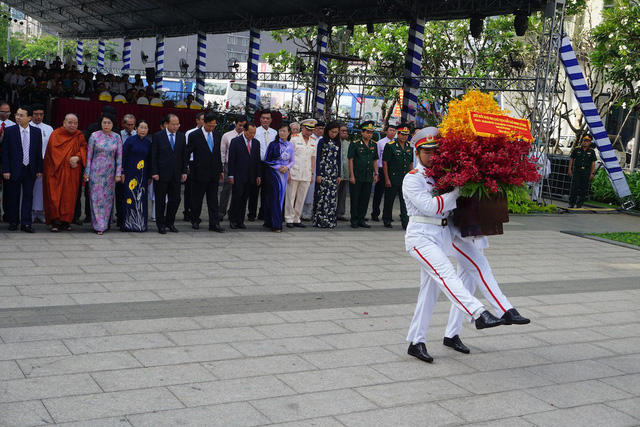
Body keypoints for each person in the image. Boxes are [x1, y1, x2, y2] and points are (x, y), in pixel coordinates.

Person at [403, 128, 505, 363]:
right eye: (426, 151)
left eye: (435, 151)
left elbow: (449, 208)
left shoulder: (442, 176)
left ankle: (416, 341)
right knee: (447, 274)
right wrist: (458, 191)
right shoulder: (412, 178)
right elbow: (431, 207)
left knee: (429, 291)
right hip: (420, 236)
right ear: (417, 153)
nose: (431, 155)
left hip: (441, 234)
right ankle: (478, 313)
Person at [443, 232, 530, 354]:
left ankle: (451, 335)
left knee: (465, 289)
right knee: (482, 268)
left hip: (471, 235)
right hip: (456, 235)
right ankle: (505, 310)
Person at [1, 105, 43, 232]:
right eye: (17, 115)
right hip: (14, 169)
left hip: (29, 169)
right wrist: (6, 170)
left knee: (28, 197)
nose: (18, 117)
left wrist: (39, 169)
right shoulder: (10, 131)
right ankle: (13, 221)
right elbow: (5, 153)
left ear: (29, 118)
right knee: (13, 196)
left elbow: (38, 152)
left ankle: (26, 223)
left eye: (21, 115)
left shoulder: (36, 132)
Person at [43, 114, 87, 232]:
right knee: (55, 196)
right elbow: (53, 153)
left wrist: (77, 157)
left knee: (69, 196)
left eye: (75, 123)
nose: (73, 125)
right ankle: (55, 222)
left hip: (72, 171)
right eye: (70, 122)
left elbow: (84, 148)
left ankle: (66, 221)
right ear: (64, 122)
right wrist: (68, 159)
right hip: (56, 171)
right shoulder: (56, 134)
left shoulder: (79, 135)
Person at [83, 113, 123, 235]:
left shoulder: (116, 137)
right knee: (95, 199)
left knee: (108, 199)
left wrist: (118, 173)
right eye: (104, 122)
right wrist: (87, 172)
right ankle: (98, 225)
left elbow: (119, 157)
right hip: (96, 172)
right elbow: (89, 155)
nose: (106, 125)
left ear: (113, 124)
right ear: (100, 123)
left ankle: (105, 223)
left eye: (109, 123)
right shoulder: (94, 136)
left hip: (110, 173)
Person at [186, 112, 225, 233]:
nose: (211, 128)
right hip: (199, 172)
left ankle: (214, 223)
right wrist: (187, 166)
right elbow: (188, 153)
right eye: (209, 126)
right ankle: (195, 220)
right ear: (204, 123)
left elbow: (218, 154)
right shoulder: (194, 135)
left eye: (214, 126)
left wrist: (220, 170)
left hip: (213, 173)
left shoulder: (218, 135)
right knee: (197, 198)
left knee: (213, 199)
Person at [151, 114, 188, 234]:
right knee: (160, 200)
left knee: (176, 199)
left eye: (177, 124)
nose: (176, 126)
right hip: (161, 174)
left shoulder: (181, 136)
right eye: (173, 124)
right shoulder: (158, 136)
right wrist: (154, 172)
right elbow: (154, 155)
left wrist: (184, 171)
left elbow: (183, 156)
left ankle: (170, 222)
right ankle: (160, 224)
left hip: (176, 174)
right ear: (166, 124)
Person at [227, 121, 262, 229]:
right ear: (245, 131)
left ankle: (240, 221)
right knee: (237, 198)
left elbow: (257, 160)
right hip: (238, 175)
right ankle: (233, 219)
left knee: (244, 199)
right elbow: (231, 160)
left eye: (254, 133)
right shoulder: (235, 141)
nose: (252, 135)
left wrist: (258, 175)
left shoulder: (256, 143)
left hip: (250, 176)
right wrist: (231, 175)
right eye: (250, 132)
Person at [121, 119, 152, 232]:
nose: (143, 130)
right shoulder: (130, 141)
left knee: (141, 197)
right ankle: (128, 224)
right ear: (136, 128)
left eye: (145, 128)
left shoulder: (149, 143)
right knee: (129, 197)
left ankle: (140, 224)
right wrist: (122, 172)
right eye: (141, 127)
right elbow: (123, 157)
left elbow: (150, 160)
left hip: (143, 175)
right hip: (130, 173)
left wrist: (149, 176)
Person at [285, 119, 316, 228]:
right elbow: (288, 156)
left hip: (306, 173)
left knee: (301, 197)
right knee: (291, 196)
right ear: (302, 127)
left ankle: (297, 218)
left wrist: (312, 173)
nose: (309, 132)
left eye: (311, 130)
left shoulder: (313, 141)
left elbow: (313, 158)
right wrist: (288, 172)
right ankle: (289, 218)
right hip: (294, 171)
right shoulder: (294, 139)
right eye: (307, 129)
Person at [263, 123, 294, 232]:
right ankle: (277, 224)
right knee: (274, 198)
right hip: (273, 174)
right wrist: (278, 167)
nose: (282, 133)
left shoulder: (291, 145)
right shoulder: (273, 145)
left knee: (281, 198)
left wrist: (287, 167)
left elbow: (292, 160)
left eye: (284, 131)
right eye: (280, 130)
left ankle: (270, 221)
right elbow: (266, 160)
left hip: (284, 174)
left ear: (289, 132)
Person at [348, 121, 379, 229]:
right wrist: (351, 175)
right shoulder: (355, 143)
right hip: (357, 174)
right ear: (362, 132)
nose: (369, 134)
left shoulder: (374, 144)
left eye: (371, 132)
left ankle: (361, 218)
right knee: (355, 197)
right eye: (367, 132)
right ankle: (354, 219)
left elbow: (375, 160)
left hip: (368, 175)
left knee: (365, 198)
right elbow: (351, 160)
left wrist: (376, 173)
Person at [382, 123, 413, 229]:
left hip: (405, 178)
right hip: (393, 177)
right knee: (389, 200)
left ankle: (405, 222)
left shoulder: (409, 146)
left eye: (406, 135)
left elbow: (410, 163)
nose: (404, 137)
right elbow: (385, 162)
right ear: (398, 134)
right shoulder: (390, 146)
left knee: (404, 201)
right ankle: (386, 219)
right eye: (402, 134)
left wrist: (411, 176)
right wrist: (387, 178)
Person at [313, 121, 341, 228]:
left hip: (333, 172)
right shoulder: (322, 141)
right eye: (332, 132)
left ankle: (330, 220)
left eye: (336, 132)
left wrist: (339, 175)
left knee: (332, 196)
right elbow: (318, 157)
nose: (334, 134)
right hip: (324, 170)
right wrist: (318, 174)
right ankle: (320, 220)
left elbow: (338, 158)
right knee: (322, 196)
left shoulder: (337, 142)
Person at [219, 115, 246, 221]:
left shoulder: (246, 136)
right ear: (235, 124)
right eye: (240, 125)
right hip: (228, 164)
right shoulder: (227, 135)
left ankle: (233, 212)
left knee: (239, 190)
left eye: (243, 126)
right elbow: (222, 152)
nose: (241, 128)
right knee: (226, 189)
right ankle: (221, 211)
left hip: (241, 166)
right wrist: (222, 167)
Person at [29, 103, 53, 223]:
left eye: (41, 114)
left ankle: (41, 212)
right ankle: (30, 212)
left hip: (44, 161)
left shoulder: (48, 128)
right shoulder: (26, 126)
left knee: (41, 188)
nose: (38, 117)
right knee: (30, 188)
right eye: (36, 114)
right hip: (30, 161)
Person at [252, 110, 277, 221]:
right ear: (260, 119)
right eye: (263, 118)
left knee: (267, 190)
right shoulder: (255, 131)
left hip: (270, 165)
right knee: (254, 189)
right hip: (257, 163)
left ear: (271, 120)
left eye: (268, 118)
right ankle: (252, 213)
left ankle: (263, 213)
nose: (265, 120)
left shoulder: (274, 133)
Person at [372, 123, 397, 221]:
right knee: (379, 193)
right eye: (390, 130)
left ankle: (387, 215)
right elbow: (377, 158)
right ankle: (375, 214)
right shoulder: (380, 143)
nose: (392, 132)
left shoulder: (396, 143)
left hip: (392, 170)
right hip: (382, 169)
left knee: (390, 195)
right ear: (386, 131)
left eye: (394, 131)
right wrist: (376, 172)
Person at [183, 111, 205, 222]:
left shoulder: (210, 133)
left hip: (202, 164)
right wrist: (186, 164)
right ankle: (187, 211)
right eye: (202, 119)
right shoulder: (190, 133)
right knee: (189, 189)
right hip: (191, 163)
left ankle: (195, 212)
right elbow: (187, 150)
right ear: (197, 120)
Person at [301, 121, 324, 220]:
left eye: (322, 129)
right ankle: (300, 211)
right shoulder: (310, 139)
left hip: (315, 168)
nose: (320, 130)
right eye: (318, 128)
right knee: (303, 191)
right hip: (304, 166)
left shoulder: (323, 140)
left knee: (312, 191)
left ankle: (309, 212)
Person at [568, 135, 596, 208]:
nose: (585, 142)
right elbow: (572, 159)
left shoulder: (591, 151)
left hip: (586, 171)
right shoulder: (577, 149)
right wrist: (569, 169)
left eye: (587, 141)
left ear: (590, 142)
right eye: (584, 141)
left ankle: (580, 204)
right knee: (575, 187)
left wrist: (592, 173)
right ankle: (572, 203)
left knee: (583, 188)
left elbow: (593, 163)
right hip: (577, 170)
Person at [0, 100, 16, 222]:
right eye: (2, 112)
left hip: (9, 162)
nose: (5, 114)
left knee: (9, 190)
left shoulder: (13, 125)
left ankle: (8, 214)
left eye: (7, 112)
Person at [336, 124, 350, 222]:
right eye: (342, 131)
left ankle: (340, 213)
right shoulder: (335, 143)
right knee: (333, 194)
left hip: (345, 173)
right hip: (336, 173)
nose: (344, 133)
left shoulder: (348, 144)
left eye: (346, 131)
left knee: (343, 195)